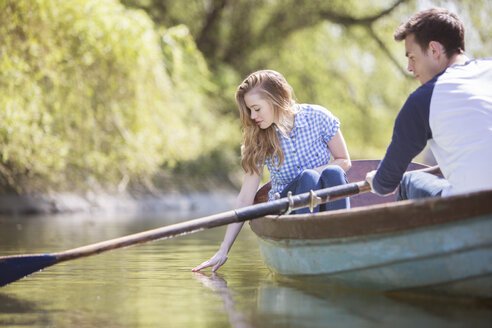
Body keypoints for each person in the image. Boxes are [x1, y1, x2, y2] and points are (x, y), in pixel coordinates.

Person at [193, 69, 351, 272]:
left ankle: (343, 242)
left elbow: (344, 160)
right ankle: (304, 249)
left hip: (324, 203)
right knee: (308, 177)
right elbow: (245, 198)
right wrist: (224, 249)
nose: (252, 116)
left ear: (275, 99)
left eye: (257, 109)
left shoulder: (318, 117)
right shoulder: (257, 136)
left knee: (333, 173)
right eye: (250, 110)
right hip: (287, 211)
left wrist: (313, 173)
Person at [365, 8, 492, 199]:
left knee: (408, 181)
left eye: (412, 57)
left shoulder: (424, 99)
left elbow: (385, 183)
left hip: (472, 208)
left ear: (434, 49)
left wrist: (374, 180)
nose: (409, 68)